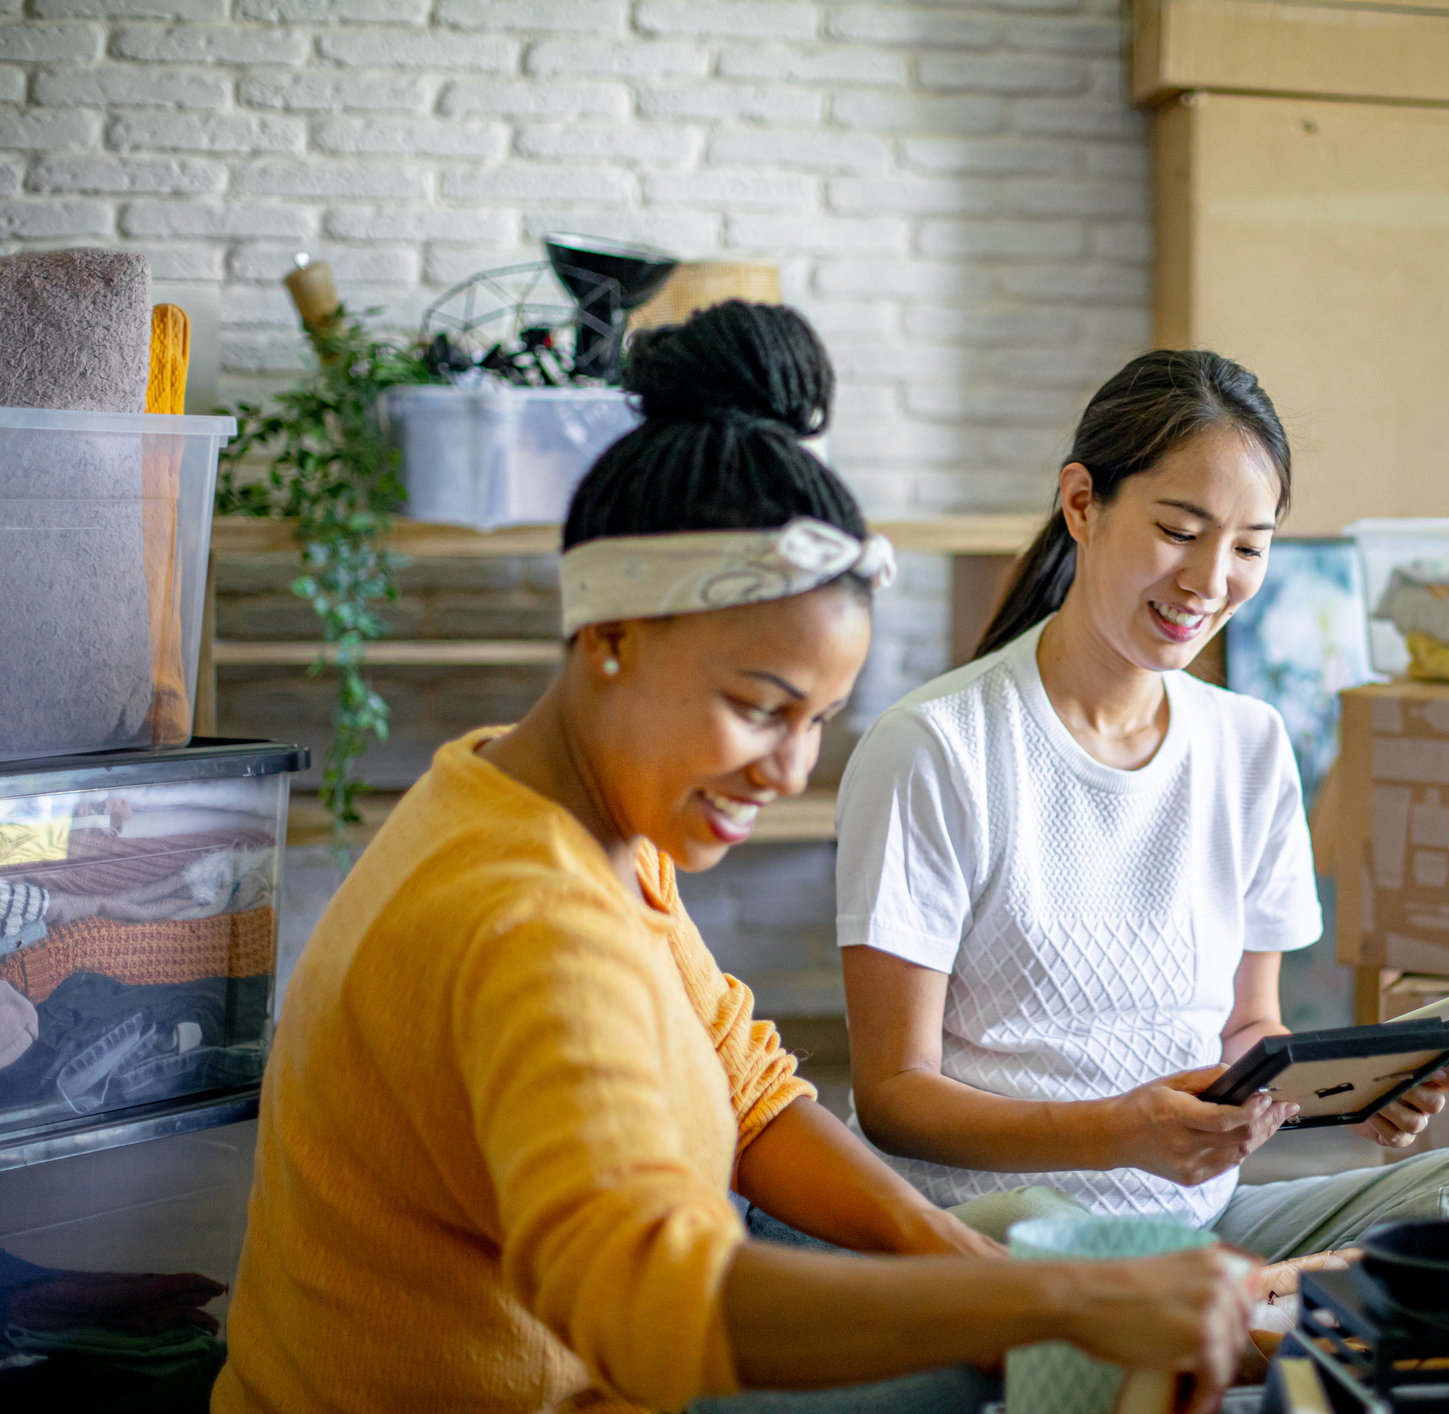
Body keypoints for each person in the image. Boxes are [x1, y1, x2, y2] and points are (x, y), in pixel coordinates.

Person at [214, 307, 1259, 1414]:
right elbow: (650, 1299)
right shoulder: (532, 922)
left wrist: (974, 1264)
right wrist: (1051, 1309)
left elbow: (751, 1090)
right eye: (761, 708)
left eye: (818, 719)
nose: (790, 768)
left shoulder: (554, 813)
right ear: (608, 637)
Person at [835, 349, 1449, 1265]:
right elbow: (894, 1098)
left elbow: (1250, 1030)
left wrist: (1349, 1092)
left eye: (1248, 546)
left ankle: (1228, 1327)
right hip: (999, 1236)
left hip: (1201, 1227)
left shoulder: (1248, 745)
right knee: (1081, 1271)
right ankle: (1256, 1331)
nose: (1210, 581)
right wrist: (1116, 1134)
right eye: (1179, 530)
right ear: (1081, 503)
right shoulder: (936, 745)